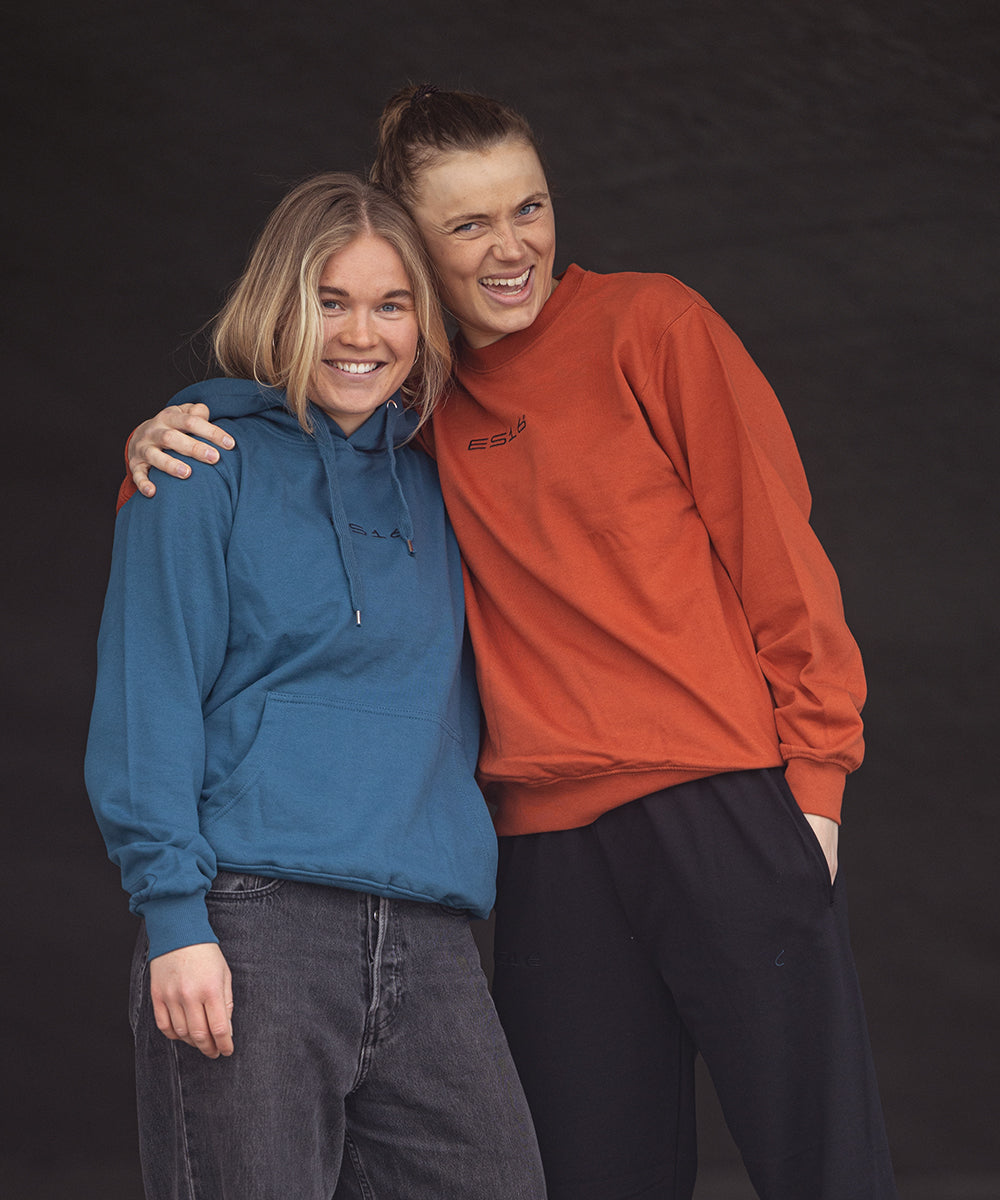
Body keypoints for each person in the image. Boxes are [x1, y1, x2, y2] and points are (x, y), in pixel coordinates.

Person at [119, 87, 897, 1200]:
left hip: (719, 802)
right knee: (586, 1174)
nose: (512, 248)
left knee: (823, 1162)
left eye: (528, 208)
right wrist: (170, 428)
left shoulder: (651, 325)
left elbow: (780, 554)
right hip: (545, 848)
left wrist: (814, 787)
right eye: (469, 225)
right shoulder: (416, 403)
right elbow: (293, 423)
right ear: (413, 241)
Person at [85, 172, 546, 1200]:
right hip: (252, 918)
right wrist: (176, 920)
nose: (361, 334)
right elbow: (148, 699)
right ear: (279, 304)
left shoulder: (445, 480)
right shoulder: (201, 463)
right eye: (330, 301)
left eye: (392, 304)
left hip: (426, 923)